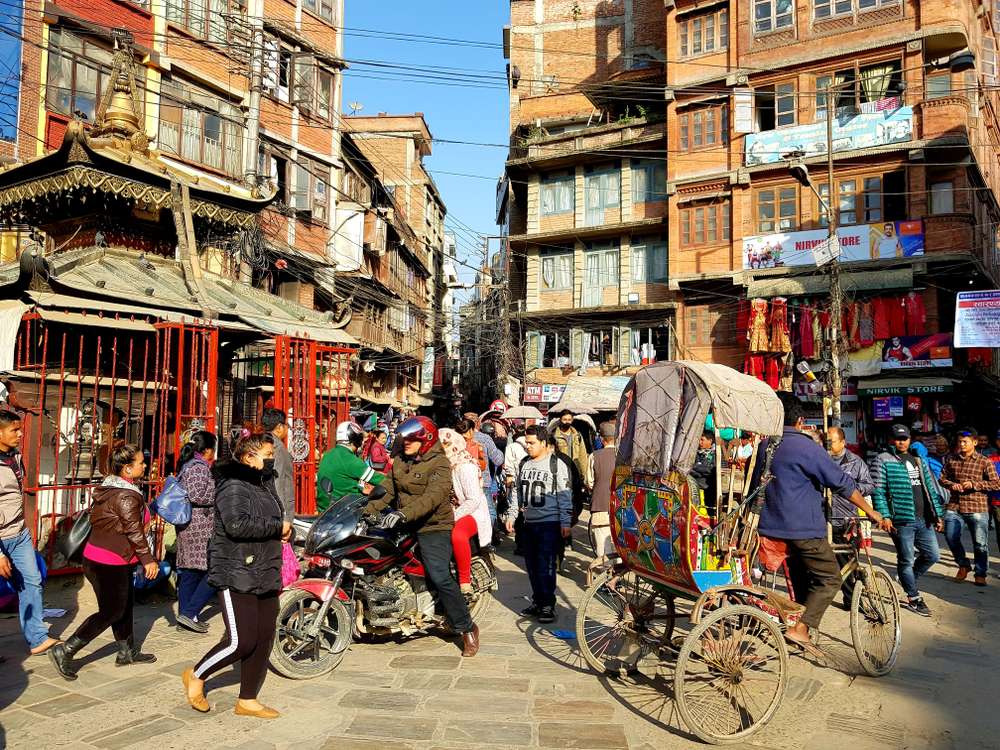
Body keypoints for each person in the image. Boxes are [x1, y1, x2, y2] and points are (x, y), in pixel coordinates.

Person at [756, 397, 890, 649]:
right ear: (800, 421)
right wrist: (871, 512)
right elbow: (842, 483)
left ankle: (796, 623)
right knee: (830, 579)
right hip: (802, 528)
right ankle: (802, 629)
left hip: (770, 526)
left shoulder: (765, 446)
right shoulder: (806, 448)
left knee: (800, 579)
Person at [183, 435, 289, 718]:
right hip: (236, 569)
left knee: (264, 636)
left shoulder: (265, 484)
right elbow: (236, 524)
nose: (271, 458)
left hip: (265, 568)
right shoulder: (232, 484)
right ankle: (196, 674)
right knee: (240, 641)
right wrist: (278, 527)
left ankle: (248, 699)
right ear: (248, 457)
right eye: (267, 453)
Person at [364, 417, 480, 657]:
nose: (405, 443)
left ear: (425, 439)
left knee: (439, 575)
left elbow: (432, 498)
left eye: (411, 439)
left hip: (433, 525)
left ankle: (467, 627)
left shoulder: (439, 464)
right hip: (404, 522)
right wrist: (367, 510)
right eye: (404, 439)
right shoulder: (399, 461)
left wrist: (402, 514)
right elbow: (387, 489)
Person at [49, 445, 159, 680]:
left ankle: (126, 651)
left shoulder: (111, 487)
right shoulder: (126, 495)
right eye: (140, 462)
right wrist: (148, 560)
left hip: (103, 557)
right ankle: (66, 649)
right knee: (112, 611)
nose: (145, 465)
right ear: (127, 469)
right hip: (110, 562)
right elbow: (134, 532)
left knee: (124, 604)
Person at [0, 410, 60, 657]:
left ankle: (37, 638)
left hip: (18, 533)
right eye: (14, 430)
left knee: (31, 581)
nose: (20, 433)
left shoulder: (15, 456)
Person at [872, 424, 944, 616]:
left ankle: (907, 579)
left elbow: (929, 488)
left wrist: (937, 514)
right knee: (906, 560)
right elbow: (878, 490)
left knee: (933, 555)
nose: (901, 442)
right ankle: (913, 597)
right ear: (891, 440)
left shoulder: (918, 459)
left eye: (904, 438)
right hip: (902, 520)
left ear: (910, 439)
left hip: (924, 519)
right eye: (897, 438)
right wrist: (885, 515)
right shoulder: (882, 460)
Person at [506, 426, 573, 625]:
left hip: (549, 524)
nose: (528, 447)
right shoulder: (524, 463)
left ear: (543, 443)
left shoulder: (556, 464)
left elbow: (565, 494)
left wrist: (566, 522)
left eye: (532, 443)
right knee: (532, 567)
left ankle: (548, 604)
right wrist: (512, 515)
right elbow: (517, 492)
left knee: (546, 566)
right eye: (526, 443)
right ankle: (537, 600)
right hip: (528, 524)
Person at [940, 429, 1000, 586]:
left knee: (980, 543)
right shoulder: (951, 459)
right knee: (950, 536)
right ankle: (963, 565)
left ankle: (980, 573)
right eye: (960, 441)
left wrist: (974, 484)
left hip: (977, 506)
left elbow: (996, 483)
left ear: (974, 442)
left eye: (965, 441)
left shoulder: (984, 461)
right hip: (955, 505)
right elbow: (942, 478)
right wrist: (953, 485)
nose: (962, 444)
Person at [174, 430, 218, 634]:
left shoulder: (189, 465)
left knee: (190, 573)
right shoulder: (199, 467)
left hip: (191, 525)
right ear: (208, 450)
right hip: (198, 526)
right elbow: (197, 496)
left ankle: (186, 616)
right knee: (213, 571)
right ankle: (190, 611)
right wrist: (218, 494)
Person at [439, 428, 492, 595]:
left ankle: (464, 581)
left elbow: (473, 500)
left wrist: (452, 517)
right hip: (451, 510)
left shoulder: (464, 467)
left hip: (471, 513)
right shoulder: (446, 465)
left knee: (458, 535)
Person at [827, 427, 875, 605]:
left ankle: (851, 599)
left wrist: (850, 489)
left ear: (842, 442)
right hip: (824, 518)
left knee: (849, 562)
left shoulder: (855, 462)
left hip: (847, 520)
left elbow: (869, 485)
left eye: (831, 442)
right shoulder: (822, 460)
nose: (828, 445)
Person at [316, 421, 384, 513]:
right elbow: (380, 480)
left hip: (323, 509)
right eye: (360, 438)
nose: (362, 442)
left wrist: (360, 488)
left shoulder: (327, 455)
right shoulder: (351, 460)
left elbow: (340, 481)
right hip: (344, 511)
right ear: (355, 439)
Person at [588, 421, 618, 571]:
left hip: (600, 505)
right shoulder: (624, 458)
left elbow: (590, 482)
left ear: (602, 439)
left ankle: (605, 577)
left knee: (602, 545)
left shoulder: (594, 456)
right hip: (621, 507)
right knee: (617, 544)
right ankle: (618, 576)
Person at [262, 408, 295, 522]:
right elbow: (278, 480)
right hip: (279, 505)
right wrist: (282, 514)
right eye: (286, 425)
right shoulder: (278, 448)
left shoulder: (261, 442)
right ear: (280, 427)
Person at [552, 410, 589, 488]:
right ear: (560, 420)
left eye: (569, 420)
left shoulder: (577, 435)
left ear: (572, 420)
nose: (567, 422)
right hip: (560, 469)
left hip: (575, 469)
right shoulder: (554, 435)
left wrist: (584, 474)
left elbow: (582, 455)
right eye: (564, 420)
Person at [690, 430, 717, 508]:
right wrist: (700, 471)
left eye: (702, 440)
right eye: (699, 440)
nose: (700, 442)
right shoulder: (697, 453)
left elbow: (710, 470)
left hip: (706, 488)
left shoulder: (714, 455)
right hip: (694, 487)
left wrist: (696, 468)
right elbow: (690, 468)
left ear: (710, 441)